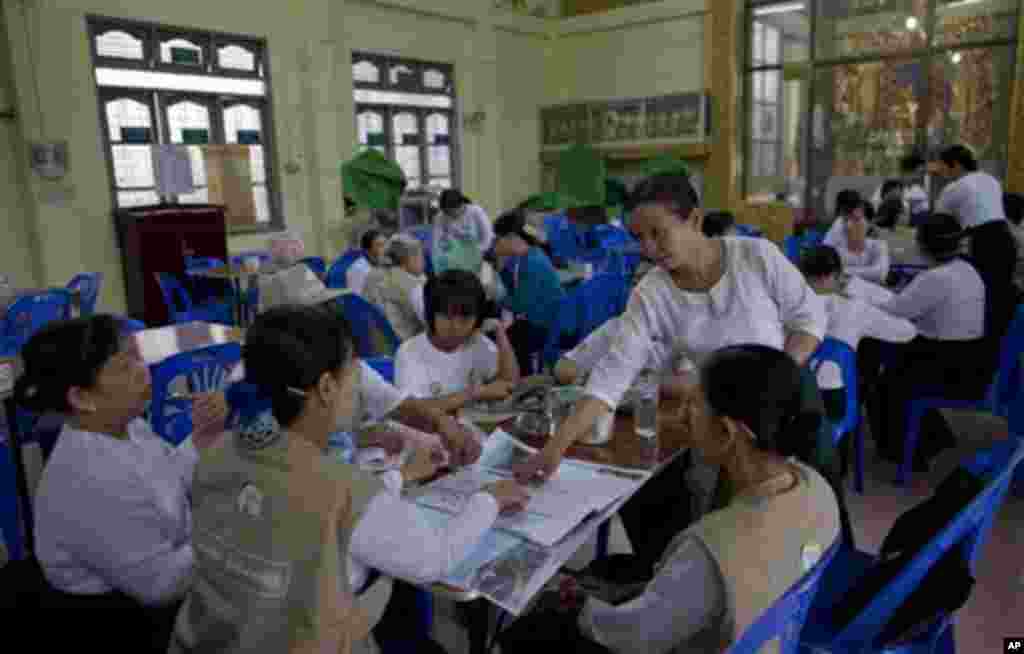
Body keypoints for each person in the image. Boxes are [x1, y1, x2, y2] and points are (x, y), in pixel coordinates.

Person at [171, 305, 529, 653]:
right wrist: (491, 499)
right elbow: (435, 558)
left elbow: (327, 513)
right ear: (327, 387)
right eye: (353, 370)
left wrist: (397, 477)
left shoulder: (216, 452)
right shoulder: (339, 486)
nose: (361, 380)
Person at [514, 173, 827, 569]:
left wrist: (774, 378)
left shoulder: (756, 257)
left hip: (786, 401)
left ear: (694, 220)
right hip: (723, 422)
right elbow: (613, 374)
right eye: (639, 238)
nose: (649, 248)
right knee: (738, 529)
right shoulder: (653, 292)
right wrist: (555, 448)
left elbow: (809, 319)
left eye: (658, 234)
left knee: (804, 514)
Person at [499, 345, 841, 654]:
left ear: (726, 432)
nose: (681, 416)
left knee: (532, 630)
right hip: (773, 640)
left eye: (694, 405)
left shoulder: (711, 548)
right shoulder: (817, 489)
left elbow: (634, 636)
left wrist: (581, 607)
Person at [16, 315, 227, 650]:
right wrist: (225, 532)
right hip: (122, 623)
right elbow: (161, 585)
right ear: (82, 398)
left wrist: (201, 438)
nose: (143, 370)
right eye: (125, 366)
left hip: (163, 572)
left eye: (138, 356)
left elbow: (167, 477)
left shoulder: (125, 427)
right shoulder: (91, 478)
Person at [259, 263, 484, 466]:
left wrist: (444, 424)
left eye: (325, 311)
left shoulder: (349, 367)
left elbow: (398, 405)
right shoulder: (256, 387)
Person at [868, 213, 1010, 469]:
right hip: (973, 362)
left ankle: (907, 451)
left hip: (947, 366)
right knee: (894, 364)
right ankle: (935, 435)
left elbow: (896, 310)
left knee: (884, 383)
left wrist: (864, 294)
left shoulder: (934, 278)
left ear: (923, 246)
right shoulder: (968, 270)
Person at [800, 245, 916, 421]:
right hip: (833, 397)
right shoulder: (855, 307)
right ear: (838, 275)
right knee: (871, 362)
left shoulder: (786, 304)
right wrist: (862, 292)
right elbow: (908, 330)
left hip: (792, 393)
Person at [395, 270, 520, 412]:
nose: (455, 326)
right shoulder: (409, 353)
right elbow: (411, 412)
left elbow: (509, 385)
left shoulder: (478, 343)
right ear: (431, 315)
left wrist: (500, 334)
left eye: (465, 319)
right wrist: (475, 393)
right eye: (447, 317)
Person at [553, 316, 695, 401]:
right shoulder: (614, 328)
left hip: (656, 419)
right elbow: (562, 368)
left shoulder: (679, 333)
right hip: (606, 417)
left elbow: (688, 384)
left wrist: (640, 382)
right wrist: (590, 377)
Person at [492, 210, 566, 374]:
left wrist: (495, 297)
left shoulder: (532, 262)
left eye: (499, 238)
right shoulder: (526, 257)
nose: (496, 243)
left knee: (507, 339)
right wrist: (501, 264)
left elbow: (519, 304)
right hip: (538, 320)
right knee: (508, 333)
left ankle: (522, 379)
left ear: (511, 237)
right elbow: (514, 290)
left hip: (548, 325)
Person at [933, 144, 1017, 287]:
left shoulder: (955, 187)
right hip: (1007, 239)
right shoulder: (992, 180)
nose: (941, 171)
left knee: (980, 291)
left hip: (984, 243)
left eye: (943, 166)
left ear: (957, 165)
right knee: (1001, 291)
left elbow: (937, 221)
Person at [362, 234, 428, 341]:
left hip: (377, 344)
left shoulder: (373, 275)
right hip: (406, 345)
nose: (424, 261)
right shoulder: (411, 283)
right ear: (410, 258)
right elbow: (429, 320)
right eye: (422, 256)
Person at [433, 189, 494, 276]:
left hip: (480, 254)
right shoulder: (440, 217)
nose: (449, 216)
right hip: (455, 259)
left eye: (451, 212)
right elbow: (437, 244)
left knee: (483, 278)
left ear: (461, 205)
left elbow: (488, 237)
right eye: (446, 212)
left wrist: (473, 253)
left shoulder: (476, 212)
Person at [831, 199, 890, 284]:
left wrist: (844, 272)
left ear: (870, 223)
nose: (849, 225)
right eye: (846, 220)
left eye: (856, 219)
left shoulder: (879, 245)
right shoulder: (835, 248)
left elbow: (880, 273)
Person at [347, 230, 389, 296]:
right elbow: (356, 298)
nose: (385, 249)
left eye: (385, 244)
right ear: (367, 250)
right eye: (380, 245)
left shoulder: (380, 266)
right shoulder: (358, 269)